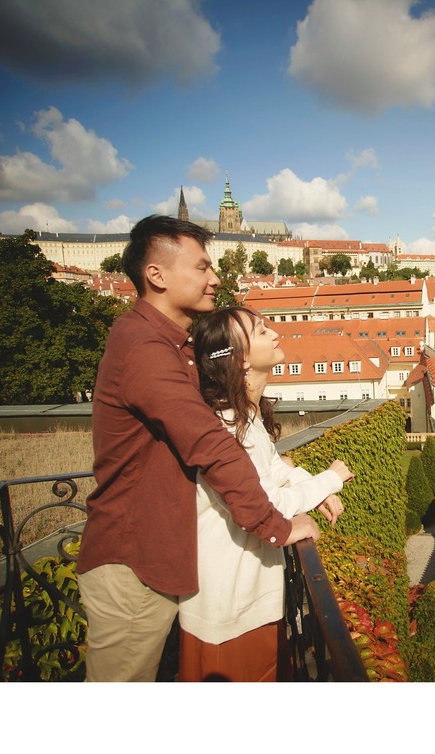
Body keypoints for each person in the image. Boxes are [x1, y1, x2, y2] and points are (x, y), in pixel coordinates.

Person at [76, 215, 321, 682]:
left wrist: (283, 468)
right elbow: (211, 444)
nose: (216, 278)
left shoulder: (171, 345)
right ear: (157, 276)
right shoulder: (144, 347)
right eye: (202, 267)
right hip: (134, 559)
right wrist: (275, 526)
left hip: (157, 555)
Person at [178, 306, 354, 681]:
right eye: (260, 331)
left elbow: (274, 468)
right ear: (239, 361)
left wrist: (312, 487)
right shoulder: (227, 426)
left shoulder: (243, 416)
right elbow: (268, 501)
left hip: (244, 594)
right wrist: (330, 479)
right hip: (231, 601)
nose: (275, 333)